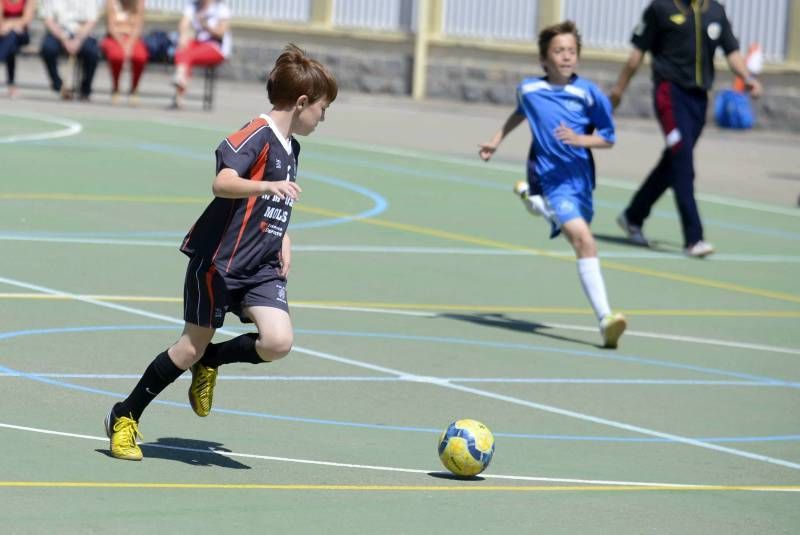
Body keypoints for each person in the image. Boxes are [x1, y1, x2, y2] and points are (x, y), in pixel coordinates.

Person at [104, 44, 338, 461]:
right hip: (219, 261)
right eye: (322, 109)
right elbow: (224, 182)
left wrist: (283, 235)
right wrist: (266, 186)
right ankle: (125, 415)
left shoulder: (292, 147)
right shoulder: (257, 133)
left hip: (260, 265)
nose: (323, 118)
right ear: (302, 103)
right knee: (187, 348)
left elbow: (272, 203)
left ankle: (212, 360)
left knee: (278, 341)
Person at [478, 20, 627, 349]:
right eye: (559, 51)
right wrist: (496, 140)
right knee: (584, 242)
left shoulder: (589, 94)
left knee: (576, 232)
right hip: (551, 178)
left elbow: (608, 138)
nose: (566, 56)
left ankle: (536, 204)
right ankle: (606, 319)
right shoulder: (530, 89)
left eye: (571, 51)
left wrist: (580, 139)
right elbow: (520, 113)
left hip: (581, 182)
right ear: (544, 59)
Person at [609, 0, 763, 257]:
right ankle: (694, 238)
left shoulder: (715, 10)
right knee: (683, 162)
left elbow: (732, 51)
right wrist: (618, 90)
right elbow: (636, 56)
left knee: (673, 162)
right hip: (670, 94)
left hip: (698, 100)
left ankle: (633, 216)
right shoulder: (661, 8)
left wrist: (748, 78)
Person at [171, 0, 231, 108]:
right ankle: (179, 92)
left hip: (216, 47)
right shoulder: (192, 6)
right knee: (183, 49)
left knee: (187, 55)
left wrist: (205, 25)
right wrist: (183, 36)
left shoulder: (221, 8)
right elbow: (183, 24)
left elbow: (220, 33)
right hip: (199, 44)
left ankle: (179, 84)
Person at [40, 0, 100, 100]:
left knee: (93, 52)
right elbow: (48, 20)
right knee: (47, 48)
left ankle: (85, 89)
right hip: (59, 33)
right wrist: (64, 38)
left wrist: (78, 40)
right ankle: (59, 85)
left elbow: (91, 20)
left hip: (82, 34)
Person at [100, 0, 148, 104]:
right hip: (114, 37)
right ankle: (116, 88)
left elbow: (138, 27)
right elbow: (111, 27)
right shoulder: (111, 2)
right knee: (116, 56)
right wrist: (123, 44)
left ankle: (134, 89)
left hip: (133, 38)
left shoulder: (139, 2)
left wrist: (129, 44)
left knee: (140, 56)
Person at [0, 0, 36, 98]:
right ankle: (12, 86)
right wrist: (6, 27)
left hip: (22, 34)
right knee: (11, 47)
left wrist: (10, 25)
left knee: (12, 36)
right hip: (4, 34)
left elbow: (27, 19)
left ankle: (1, 57)